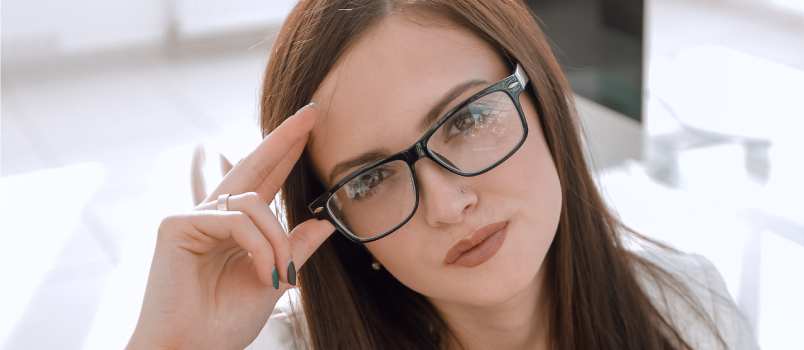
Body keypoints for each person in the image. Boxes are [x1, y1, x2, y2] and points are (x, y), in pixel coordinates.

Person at [127, 1, 758, 349]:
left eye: (465, 119)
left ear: (541, 100)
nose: (447, 204)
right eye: (371, 179)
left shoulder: (687, 310)